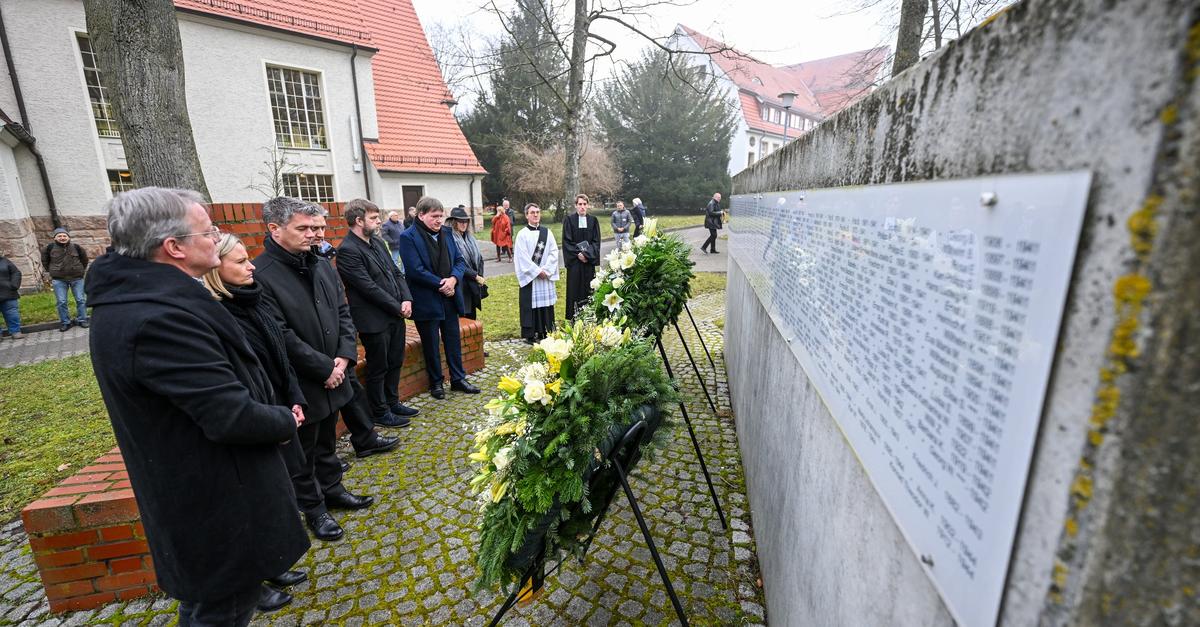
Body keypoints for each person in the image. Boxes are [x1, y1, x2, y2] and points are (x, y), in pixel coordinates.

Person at [85, 187, 309, 627]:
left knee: (211, 601)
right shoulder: (158, 317)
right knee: (221, 608)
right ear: (174, 247)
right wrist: (282, 420)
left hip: (209, 489)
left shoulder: (147, 300)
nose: (216, 238)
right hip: (215, 498)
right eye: (209, 232)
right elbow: (228, 414)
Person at [253, 197, 380, 543]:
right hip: (301, 380)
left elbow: (342, 311)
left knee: (327, 441)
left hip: (334, 371)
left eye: (317, 228)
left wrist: (343, 357)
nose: (313, 234)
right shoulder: (261, 274)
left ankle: (333, 489)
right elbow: (280, 334)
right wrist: (324, 368)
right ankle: (313, 507)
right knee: (303, 451)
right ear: (275, 229)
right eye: (304, 228)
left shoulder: (321, 264)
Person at [200, 233, 311, 613]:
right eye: (241, 262)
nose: (251, 267)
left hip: (279, 403)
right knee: (254, 499)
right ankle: (256, 577)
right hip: (256, 411)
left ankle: (274, 562)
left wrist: (294, 397)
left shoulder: (255, 298)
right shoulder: (218, 312)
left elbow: (280, 351)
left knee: (279, 489)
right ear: (216, 270)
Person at [309, 213, 402, 468]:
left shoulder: (322, 257)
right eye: (310, 228)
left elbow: (339, 305)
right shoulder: (346, 251)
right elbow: (365, 286)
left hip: (338, 342)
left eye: (321, 227)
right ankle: (324, 461)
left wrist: (345, 349)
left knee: (352, 392)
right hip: (319, 346)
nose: (318, 233)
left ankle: (365, 438)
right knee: (370, 373)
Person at [336, 199, 420, 427]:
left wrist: (407, 298)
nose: (378, 221)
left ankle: (393, 402)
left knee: (395, 360)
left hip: (394, 315)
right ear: (358, 220)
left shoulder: (377, 242)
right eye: (373, 218)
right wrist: (398, 306)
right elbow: (368, 288)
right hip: (373, 320)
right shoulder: (347, 250)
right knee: (378, 366)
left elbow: (396, 271)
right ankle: (380, 411)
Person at [397, 196, 481, 399]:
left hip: (450, 297)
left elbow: (460, 261)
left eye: (441, 216)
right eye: (434, 216)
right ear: (421, 215)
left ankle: (458, 379)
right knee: (431, 343)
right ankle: (436, 383)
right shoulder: (408, 237)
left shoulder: (447, 232)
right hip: (426, 299)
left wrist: (453, 279)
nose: (439, 221)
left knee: (453, 339)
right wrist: (442, 285)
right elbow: (414, 270)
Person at [514, 203, 559, 343]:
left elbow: (554, 252)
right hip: (531, 278)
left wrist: (546, 270)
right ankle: (530, 333)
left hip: (545, 276)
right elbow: (522, 257)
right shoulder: (522, 234)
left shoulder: (547, 232)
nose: (535, 215)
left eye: (538, 212)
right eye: (532, 212)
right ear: (527, 215)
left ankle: (545, 331)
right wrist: (537, 271)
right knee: (531, 304)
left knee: (545, 305)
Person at [561, 193, 601, 320]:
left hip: (588, 263)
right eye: (580, 204)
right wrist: (578, 254)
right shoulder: (569, 220)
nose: (582, 207)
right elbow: (566, 241)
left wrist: (586, 255)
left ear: (587, 205)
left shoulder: (593, 221)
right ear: (576, 206)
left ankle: (589, 316)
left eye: (584, 204)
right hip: (575, 263)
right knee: (574, 290)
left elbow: (596, 241)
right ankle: (574, 317)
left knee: (589, 289)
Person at [42, 227, 89, 331]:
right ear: (55, 238)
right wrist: (53, 271)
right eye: (59, 236)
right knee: (61, 301)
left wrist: (80, 270)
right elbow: (45, 262)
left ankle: (82, 320)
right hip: (59, 279)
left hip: (77, 278)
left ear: (68, 237)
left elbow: (84, 260)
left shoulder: (76, 247)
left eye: (64, 236)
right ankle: (65, 322)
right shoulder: (49, 248)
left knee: (80, 300)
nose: (62, 238)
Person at [449, 206, 487, 319]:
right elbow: (456, 263)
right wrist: (475, 276)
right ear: (453, 222)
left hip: (473, 284)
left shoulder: (470, 238)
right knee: (462, 317)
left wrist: (480, 275)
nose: (464, 224)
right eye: (460, 221)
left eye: (466, 221)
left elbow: (480, 259)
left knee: (472, 316)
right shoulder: (450, 239)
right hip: (461, 283)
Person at [0, 253, 22, 339]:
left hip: (8, 293)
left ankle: (15, 331)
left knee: (12, 313)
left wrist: (14, 285)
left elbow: (16, 273)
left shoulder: (5, 261)